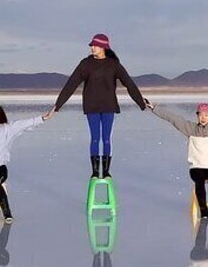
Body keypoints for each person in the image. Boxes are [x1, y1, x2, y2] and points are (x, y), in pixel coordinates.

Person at [52, 33, 146, 178]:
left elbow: (129, 84)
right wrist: (58, 105)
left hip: (109, 106)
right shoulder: (86, 64)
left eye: (95, 45)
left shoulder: (113, 64)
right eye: (92, 45)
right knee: (95, 138)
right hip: (92, 106)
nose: (92, 48)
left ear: (103, 47)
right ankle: (95, 172)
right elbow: (71, 84)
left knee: (107, 139)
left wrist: (141, 102)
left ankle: (106, 171)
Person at [145, 94, 208, 218]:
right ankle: (203, 211)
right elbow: (173, 118)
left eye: (206, 115)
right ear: (197, 116)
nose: (203, 118)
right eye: (200, 115)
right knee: (199, 182)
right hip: (197, 167)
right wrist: (154, 108)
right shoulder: (190, 129)